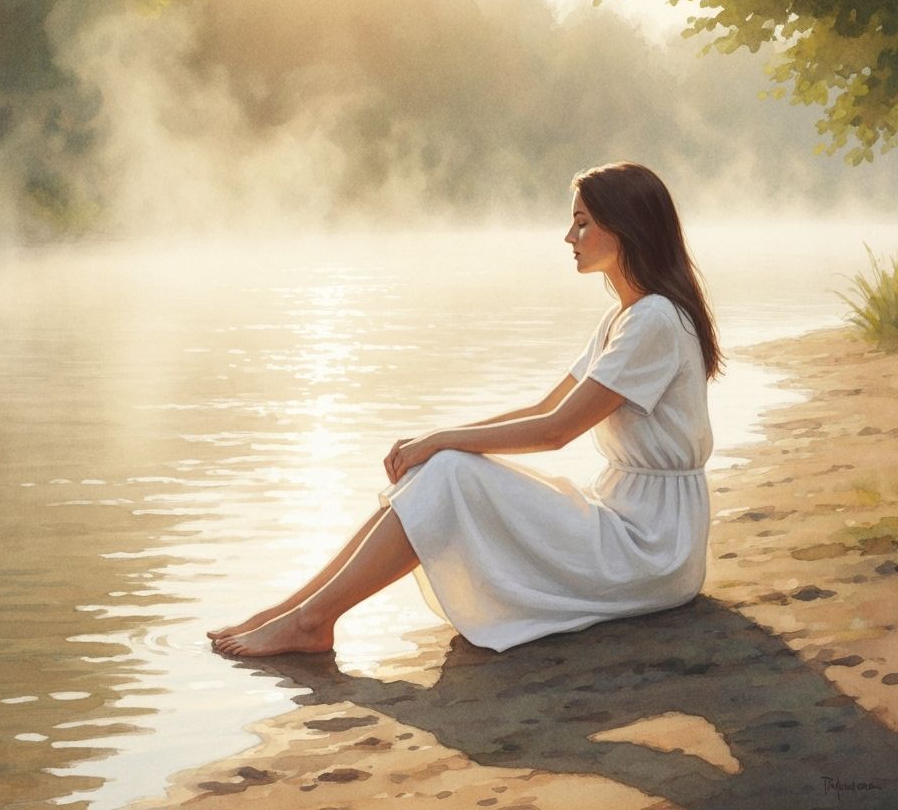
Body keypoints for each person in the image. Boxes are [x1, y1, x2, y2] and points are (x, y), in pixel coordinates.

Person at [209, 161, 723, 657]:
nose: (569, 238)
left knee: (448, 467)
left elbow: (554, 432)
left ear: (625, 228)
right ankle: (296, 609)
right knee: (439, 466)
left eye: (582, 223)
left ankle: (310, 621)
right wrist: (436, 438)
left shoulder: (654, 319)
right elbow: (545, 406)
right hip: (634, 522)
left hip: (652, 547)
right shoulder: (628, 315)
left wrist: (438, 443)